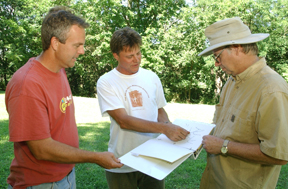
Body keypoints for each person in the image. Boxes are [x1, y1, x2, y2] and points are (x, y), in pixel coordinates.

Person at [5, 6, 122, 189]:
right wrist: (95, 157)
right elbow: (41, 148)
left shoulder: (60, 69)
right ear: (55, 43)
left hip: (65, 175)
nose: (82, 51)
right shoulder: (27, 84)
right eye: (77, 45)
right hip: (41, 183)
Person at [198, 17, 288, 189]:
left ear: (237, 47)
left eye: (217, 56)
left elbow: (279, 155)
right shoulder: (231, 81)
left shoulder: (271, 89)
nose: (216, 64)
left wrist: (223, 146)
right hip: (215, 180)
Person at [96, 27, 190, 189]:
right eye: (130, 56)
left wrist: (168, 129)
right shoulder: (106, 82)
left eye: (138, 53)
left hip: (152, 159)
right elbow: (123, 121)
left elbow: (160, 110)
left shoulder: (151, 77)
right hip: (122, 160)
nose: (136, 59)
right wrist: (164, 128)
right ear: (116, 55)